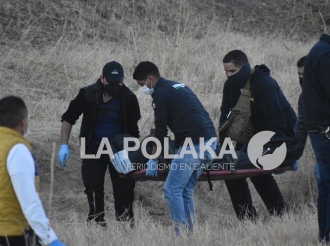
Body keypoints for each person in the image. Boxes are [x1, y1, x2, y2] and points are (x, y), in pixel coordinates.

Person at [133, 61, 217, 235]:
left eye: (142, 84)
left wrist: (153, 158)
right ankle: (190, 235)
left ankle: (180, 235)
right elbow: (187, 118)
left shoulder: (160, 94)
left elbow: (161, 130)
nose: (142, 89)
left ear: (150, 79)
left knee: (172, 190)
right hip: (210, 142)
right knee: (185, 190)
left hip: (194, 145)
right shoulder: (179, 86)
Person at [58, 61, 141, 227]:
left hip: (120, 150)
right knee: (93, 187)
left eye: (119, 83)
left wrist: (133, 155)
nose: (115, 86)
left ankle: (125, 225)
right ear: (102, 78)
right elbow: (68, 118)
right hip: (93, 148)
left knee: (124, 189)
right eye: (111, 82)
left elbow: (133, 131)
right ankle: (97, 223)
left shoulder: (129, 98)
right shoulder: (88, 94)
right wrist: (63, 145)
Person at [219, 50, 297, 220]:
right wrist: (223, 149)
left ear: (245, 67)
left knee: (257, 170)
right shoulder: (230, 86)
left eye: (233, 71)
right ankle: (247, 219)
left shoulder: (264, 85)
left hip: (280, 139)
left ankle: (279, 215)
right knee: (229, 169)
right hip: (251, 139)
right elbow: (224, 118)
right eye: (226, 71)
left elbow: (278, 122)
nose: (229, 75)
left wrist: (269, 152)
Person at [0, 96, 65, 246]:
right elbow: (29, 202)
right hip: (11, 236)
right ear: (23, 123)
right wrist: (50, 239)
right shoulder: (17, 149)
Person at [302, 33, 330, 243]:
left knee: (326, 187)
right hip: (325, 130)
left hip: (319, 129)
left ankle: (324, 237)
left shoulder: (318, 50)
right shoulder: (326, 54)